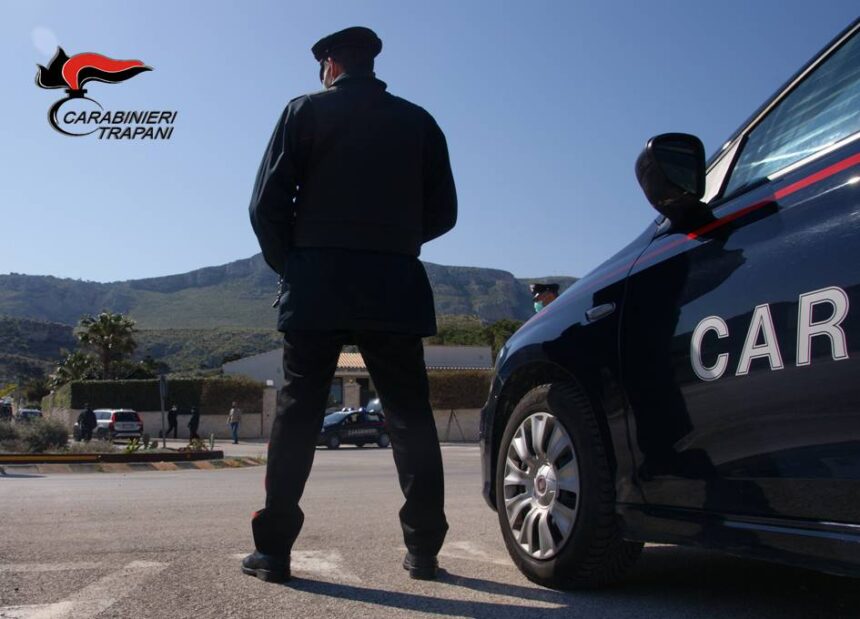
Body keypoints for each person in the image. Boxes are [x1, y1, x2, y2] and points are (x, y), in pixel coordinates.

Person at [243, 26, 456, 584]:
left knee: (297, 415)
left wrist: (294, 264)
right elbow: (445, 212)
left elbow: (265, 206)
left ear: (330, 65)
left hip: (317, 278)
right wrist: (391, 240)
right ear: (370, 64)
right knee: (410, 417)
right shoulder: (419, 121)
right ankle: (425, 551)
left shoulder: (304, 111)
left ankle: (274, 553)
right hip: (393, 280)